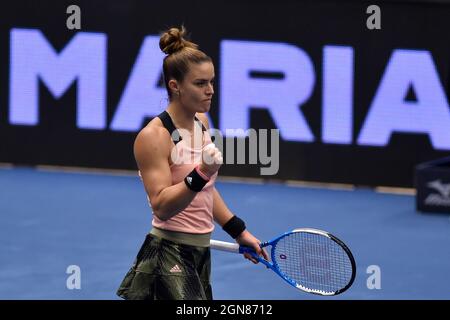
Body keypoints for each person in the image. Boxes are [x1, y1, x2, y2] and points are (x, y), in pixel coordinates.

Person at [116, 26, 268, 300]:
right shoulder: (154, 136)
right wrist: (201, 172)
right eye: (200, 83)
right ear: (175, 86)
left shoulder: (202, 122)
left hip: (200, 253)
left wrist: (238, 230)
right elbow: (161, 207)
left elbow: (206, 191)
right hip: (167, 256)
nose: (210, 90)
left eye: (212, 82)